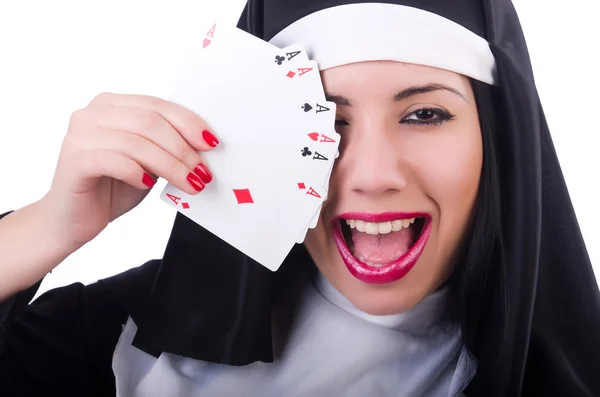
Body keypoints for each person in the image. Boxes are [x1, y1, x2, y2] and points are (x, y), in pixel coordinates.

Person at [1, 0, 599, 396]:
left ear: (497, 141)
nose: (371, 175)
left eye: (424, 113)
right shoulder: (129, 334)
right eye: (324, 120)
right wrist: (48, 228)